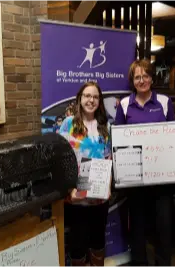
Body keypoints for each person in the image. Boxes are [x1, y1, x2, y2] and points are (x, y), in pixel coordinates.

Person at [115, 59, 175, 267]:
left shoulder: (165, 102)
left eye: (146, 75)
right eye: (137, 77)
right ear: (133, 80)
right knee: (138, 226)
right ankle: (140, 263)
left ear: (151, 77)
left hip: (162, 177)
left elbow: (174, 138)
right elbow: (118, 140)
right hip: (135, 178)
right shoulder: (124, 104)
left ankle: (162, 263)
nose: (142, 80)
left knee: (163, 227)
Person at [59, 81, 111, 267]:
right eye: (87, 96)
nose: (91, 100)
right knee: (78, 244)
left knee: (98, 241)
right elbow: (61, 159)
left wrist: (108, 186)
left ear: (100, 101)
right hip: (78, 196)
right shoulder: (68, 124)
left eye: (95, 97)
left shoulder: (105, 127)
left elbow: (108, 159)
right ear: (80, 99)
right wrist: (69, 189)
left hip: (99, 197)